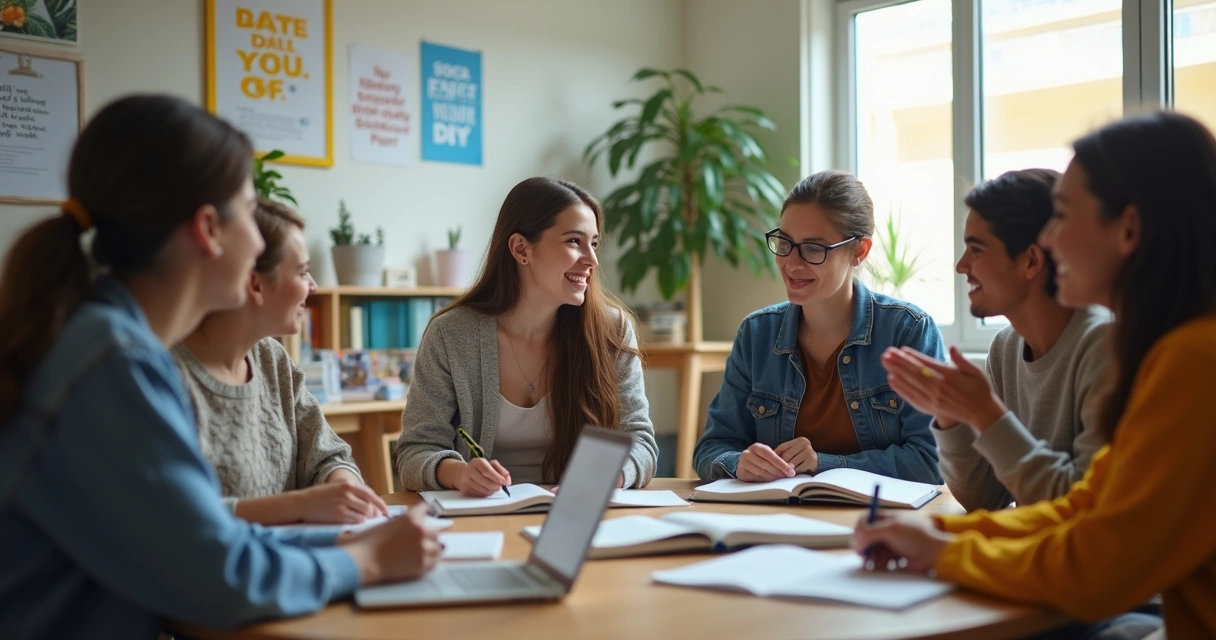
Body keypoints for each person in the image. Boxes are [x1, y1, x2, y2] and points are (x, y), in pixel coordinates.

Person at [0, 95, 440, 638]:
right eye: (249, 212)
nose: (257, 240)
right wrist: (366, 561)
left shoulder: (105, 340)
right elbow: (220, 575)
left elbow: (202, 538)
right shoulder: (116, 363)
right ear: (208, 229)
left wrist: (351, 541)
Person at [855, 111, 1216, 638]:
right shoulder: (1171, 350)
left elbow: (1096, 565)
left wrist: (948, 551)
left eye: (1063, 216)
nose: (1049, 239)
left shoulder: (1194, 360)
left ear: (1128, 228)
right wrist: (942, 535)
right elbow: (1085, 507)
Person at [395, 177, 658, 496]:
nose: (592, 260)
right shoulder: (450, 334)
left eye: (594, 243)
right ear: (521, 249)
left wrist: (610, 476)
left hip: (576, 510)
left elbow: (640, 442)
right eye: (574, 241)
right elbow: (416, 451)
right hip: (482, 513)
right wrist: (459, 474)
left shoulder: (611, 330)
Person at [693, 170, 944, 484]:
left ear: (859, 251)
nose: (791, 263)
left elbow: (932, 461)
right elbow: (711, 448)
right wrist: (738, 463)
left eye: (813, 249)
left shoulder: (908, 331)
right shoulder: (757, 334)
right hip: (776, 512)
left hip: (878, 512)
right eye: (784, 243)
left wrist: (823, 465)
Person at [882, 169, 1110, 512]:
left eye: (976, 250)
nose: (961, 266)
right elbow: (986, 499)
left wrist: (984, 412)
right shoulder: (1005, 348)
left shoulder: (1104, 346)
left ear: (1031, 261)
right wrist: (950, 415)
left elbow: (1082, 508)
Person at [174, 198, 388, 525]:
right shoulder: (166, 375)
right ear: (255, 284)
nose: (313, 286)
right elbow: (174, 514)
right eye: (303, 272)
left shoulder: (272, 359)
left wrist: (344, 489)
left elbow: (330, 455)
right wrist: (301, 505)